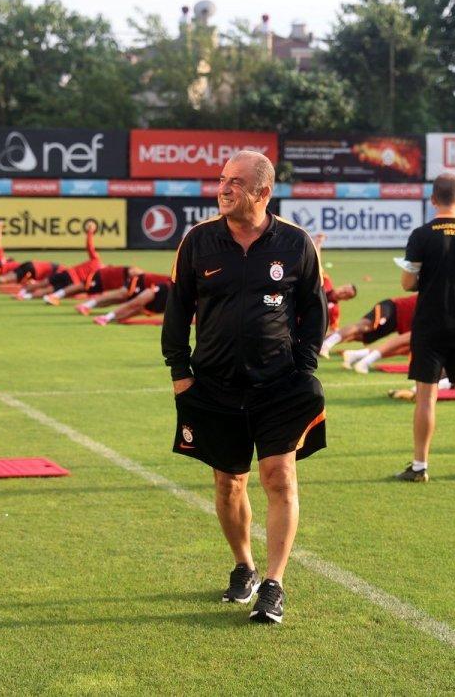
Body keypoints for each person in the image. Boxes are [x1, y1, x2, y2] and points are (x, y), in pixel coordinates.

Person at [162, 150, 326, 624]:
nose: (224, 188)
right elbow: (177, 314)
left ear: (262, 192)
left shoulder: (295, 244)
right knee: (228, 481)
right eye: (221, 180)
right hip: (213, 386)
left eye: (235, 182)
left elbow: (315, 312)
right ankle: (244, 566)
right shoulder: (197, 241)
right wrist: (180, 372)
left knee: (279, 476)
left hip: (279, 386)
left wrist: (305, 366)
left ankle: (274, 583)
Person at [395, 172, 455, 482]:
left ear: (433, 199)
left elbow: (409, 282)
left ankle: (420, 466)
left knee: (426, 397)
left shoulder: (421, 235)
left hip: (430, 325)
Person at [17, 221, 101, 301]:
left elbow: (89, 246)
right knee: (50, 289)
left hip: (68, 273)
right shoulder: (98, 274)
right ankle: (26, 296)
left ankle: (22, 293)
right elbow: (88, 286)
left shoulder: (96, 261)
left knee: (44, 282)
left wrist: (90, 232)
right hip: (72, 281)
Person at [93, 273, 171, 325]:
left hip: (165, 302)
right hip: (163, 290)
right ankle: (106, 317)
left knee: (137, 311)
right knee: (136, 303)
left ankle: (109, 319)